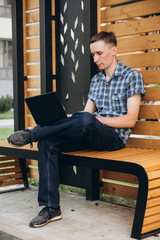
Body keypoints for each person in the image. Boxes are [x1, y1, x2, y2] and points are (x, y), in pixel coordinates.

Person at [7, 31, 145, 228]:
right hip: (90, 131)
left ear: (114, 50)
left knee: (87, 120)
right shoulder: (96, 80)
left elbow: (130, 120)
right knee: (48, 143)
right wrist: (66, 118)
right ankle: (51, 207)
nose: (95, 59)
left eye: (99, 53)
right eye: (93, 55)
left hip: (113, 139)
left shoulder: (132, 77)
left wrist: (94, 119)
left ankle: (33, 133)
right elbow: (86, 114)